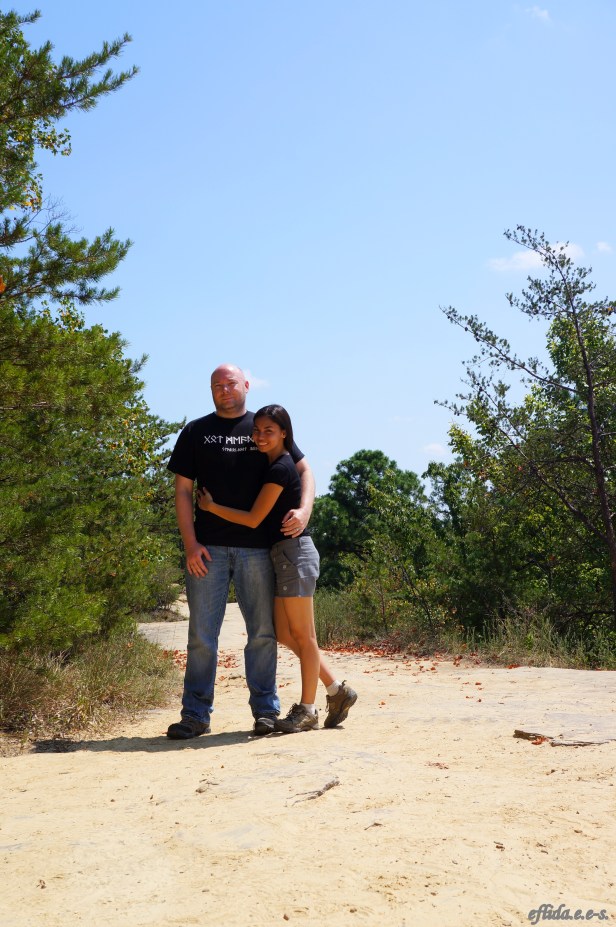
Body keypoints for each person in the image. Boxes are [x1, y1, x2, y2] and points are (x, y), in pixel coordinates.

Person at [165, 364, 314, 739]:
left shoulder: (264, 426)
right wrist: (190, 543)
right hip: (208, 548)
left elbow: (305, 470)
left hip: (258, 548)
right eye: (217, 385)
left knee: (262, 632)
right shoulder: (195, 432)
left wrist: (305, 509)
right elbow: (183, 491)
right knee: (202, 635)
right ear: (210, 391)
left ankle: (266, 711)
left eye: (231, 383)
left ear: (246, 385)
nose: (224, 390)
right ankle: (195, 715)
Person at [197, 404, 357, 734]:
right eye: (256, 431)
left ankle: (308, 709)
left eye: (268, 431)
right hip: (281, 555)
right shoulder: (275, 462)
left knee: (305, 636)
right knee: (284, 633)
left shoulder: (280, 469)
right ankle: (337, 690)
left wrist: (211, 508)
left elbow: (255, 518)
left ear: (284, 433)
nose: (260, 436)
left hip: (294, 554)